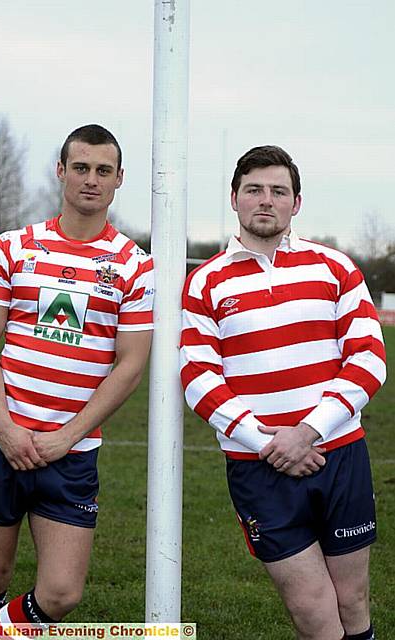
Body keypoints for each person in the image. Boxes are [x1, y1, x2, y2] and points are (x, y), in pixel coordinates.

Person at [180, 145, 386, 640]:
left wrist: (307, 433)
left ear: (297, 203)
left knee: (352, 600)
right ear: (235, 199)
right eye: (254, 190)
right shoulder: (204, 282)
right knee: (313, 611)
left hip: (337, 456)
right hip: (260, 468)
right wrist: (269, 443)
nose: (266, 201)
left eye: (278, 191)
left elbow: (368, 358)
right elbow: (198, 377)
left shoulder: (335, 268)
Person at [0, 124, 154, 627]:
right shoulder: (13, 247)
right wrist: (6, 428)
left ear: (119, 180)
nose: (90, 180)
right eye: (80, 167)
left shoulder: (135, 266)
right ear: (61, 171)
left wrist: (68, 436)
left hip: (70, 453)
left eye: (103, 170)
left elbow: (131, 363)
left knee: (61, 593)